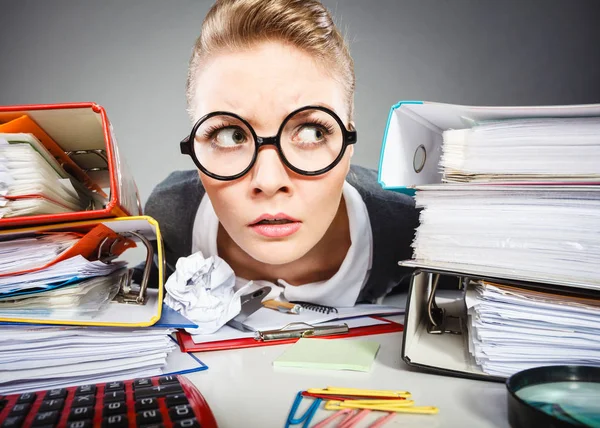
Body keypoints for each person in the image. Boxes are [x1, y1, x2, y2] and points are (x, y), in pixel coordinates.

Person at [143, 0, 418, 306]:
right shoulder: (168, 223)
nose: (270, 181)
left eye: (312, 132)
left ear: (348, 142)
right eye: (230, 135)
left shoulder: (413, 228)